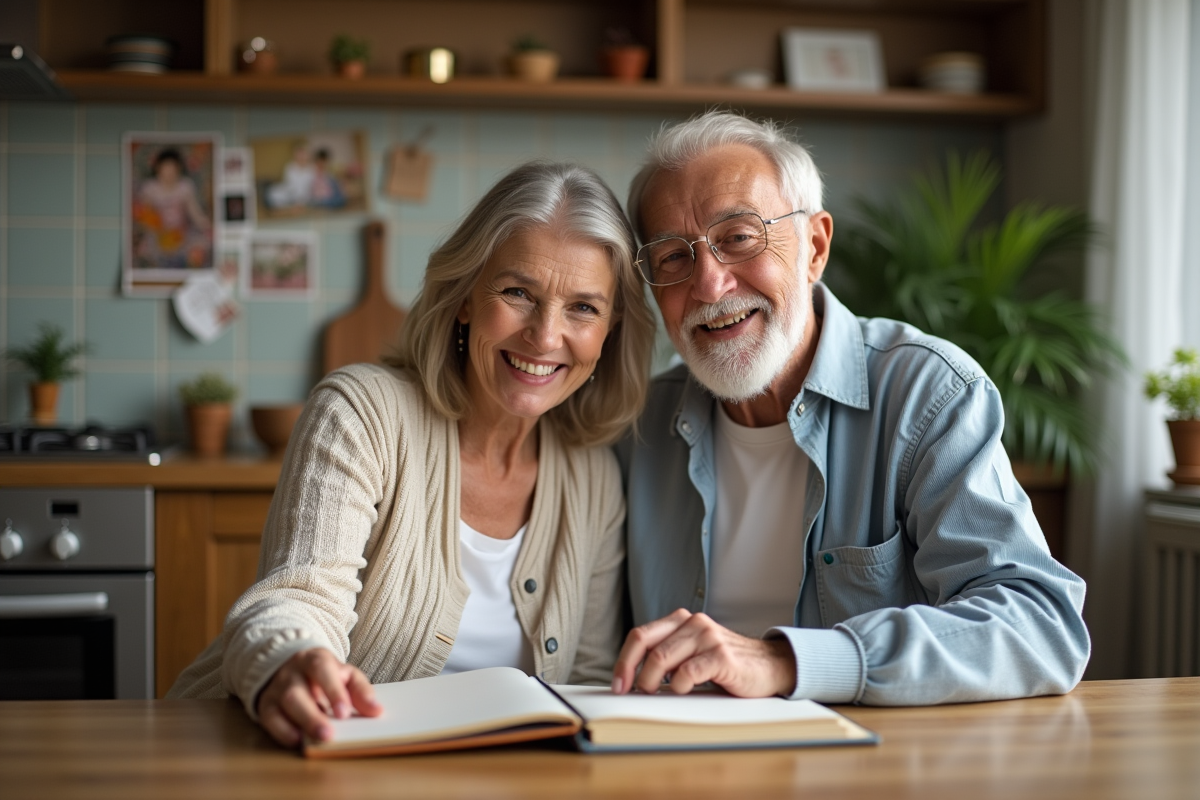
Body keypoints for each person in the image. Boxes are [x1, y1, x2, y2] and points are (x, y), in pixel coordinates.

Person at [168, 161, 657, 747]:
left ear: (611, 329)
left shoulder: (593, 477)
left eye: (583, 307)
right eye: (518, 293)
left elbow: (587, 684)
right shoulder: (361, 414)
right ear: (465, 298)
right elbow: (298, 597)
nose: (546, 336)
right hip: (271, 757)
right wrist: (290, 661)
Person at [611, 111, 1090, 706]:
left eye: (739, 237)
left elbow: (1039, 625)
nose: (709, 284)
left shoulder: (926, 393)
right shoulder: (636, 426)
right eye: (673, 258)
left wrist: (786, 661)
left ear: (814, 246)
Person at [133, 148, 211, 270]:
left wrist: (207, 226)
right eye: (166, 168)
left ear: (178, 169)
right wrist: (157, 228)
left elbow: (195, 213)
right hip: (157, 235)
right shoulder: (149, 188)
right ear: (158, 168)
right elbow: (144, 215)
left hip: (181, 234)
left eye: (173, 168)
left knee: (202, 244)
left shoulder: (185, 187)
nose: (169, 172)